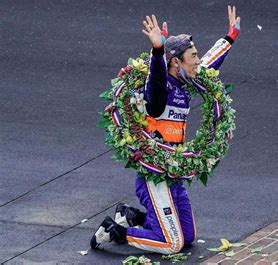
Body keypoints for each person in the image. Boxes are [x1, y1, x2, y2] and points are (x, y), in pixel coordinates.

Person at [90, 6, 241, 254]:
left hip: (173, 174)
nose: (198, 61)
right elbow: (156, 78)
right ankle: (113, 232)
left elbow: (210, 64)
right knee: (173, 244)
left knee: (188, 236)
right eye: (193, 56)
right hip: (155, 177)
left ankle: (131, 217)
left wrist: (230, 37)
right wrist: (157, 49)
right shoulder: (159, 92)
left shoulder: (185, 80)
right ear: (175, 62)